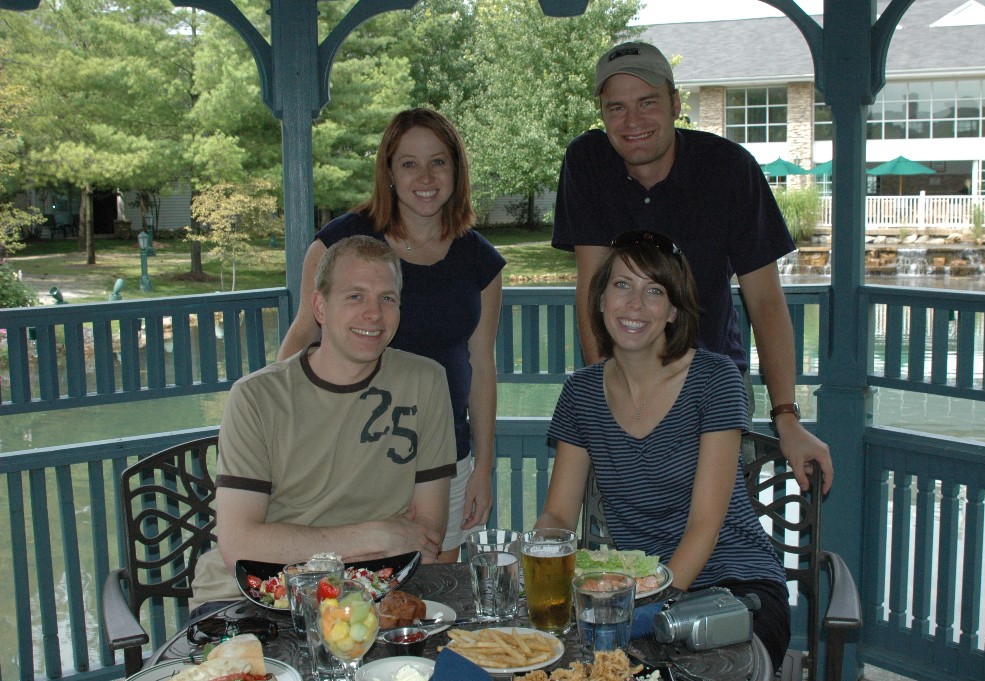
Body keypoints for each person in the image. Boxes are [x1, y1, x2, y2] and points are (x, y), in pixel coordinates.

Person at [552, 41, 832, 493]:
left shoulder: (729, 169)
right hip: (624, 382)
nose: (632, 121)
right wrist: (609, 399)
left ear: (676, 104)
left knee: (716, 523)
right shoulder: (587, 163)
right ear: (602, 114)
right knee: (624, 521)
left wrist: (786, 416)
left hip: (713, 388)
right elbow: (592, 291)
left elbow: (764, 298)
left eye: (647, 102)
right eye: (616, 108)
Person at [534, 230, 790, 669]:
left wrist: (651, 606)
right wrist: (540, 561)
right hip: (636, 592)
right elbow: (558, 514)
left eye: (654, 290)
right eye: (622, 285)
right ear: (600, 300)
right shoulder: (581, 393)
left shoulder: (715, 380)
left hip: (734, 584)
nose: (635, 304)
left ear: (673, 310)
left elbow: (705, 524)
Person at [277, 108, 505, 562]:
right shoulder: (339, 243)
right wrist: (279, 427)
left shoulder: (480, 260)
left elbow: (481, 366)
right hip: (349, 456)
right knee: (350, 587)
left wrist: (482, 467)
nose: (426, 177)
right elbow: (303, 334)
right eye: (409, 163)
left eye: (438, 162)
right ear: (389, 172)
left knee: (435, 589)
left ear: (456, 170)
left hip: (445, 457)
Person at [190, 235, 457, 611]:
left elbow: (426, 538)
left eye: (387, 298)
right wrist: (374, 536)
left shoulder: (425, 381)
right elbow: (241, 547)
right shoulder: (256, 397)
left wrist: (297, 546)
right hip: (254, 595)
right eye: (355, 296)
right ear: (320, 306)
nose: (374, 314)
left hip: (374, 593)